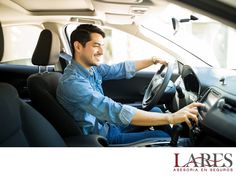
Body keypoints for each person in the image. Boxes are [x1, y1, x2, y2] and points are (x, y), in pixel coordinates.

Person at [56, 24, 204, 145]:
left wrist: (152, 60)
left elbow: (119, 69)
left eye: (102, 45)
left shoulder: (91, 69)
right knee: (161, 135)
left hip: (107, 125)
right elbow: (113, 110)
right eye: (96, 45)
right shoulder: (73, 83)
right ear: (78, 46)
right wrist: (172, 118)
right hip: (100, 137)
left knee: (158, 112)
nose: (101, 51)